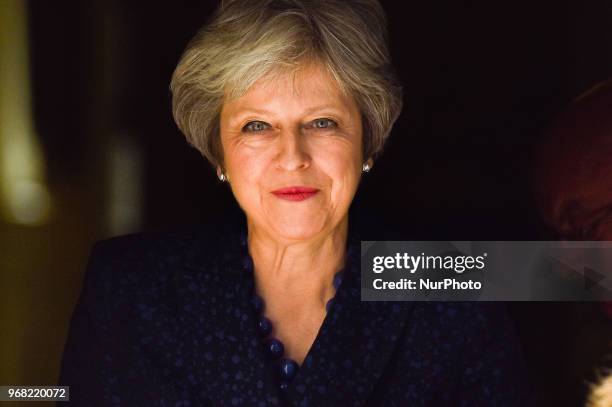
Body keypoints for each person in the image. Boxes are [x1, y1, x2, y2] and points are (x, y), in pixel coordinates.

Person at [59, 0, 531, 405]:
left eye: (322, 122)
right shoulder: (129, 290)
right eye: (257, 126)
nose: (293, 157)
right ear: (219, 151)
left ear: (366, 141)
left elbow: (591, 270)